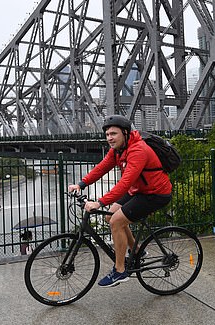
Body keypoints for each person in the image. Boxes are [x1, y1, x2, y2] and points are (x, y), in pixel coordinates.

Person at [67, 115, 172, 287]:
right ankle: (137, 251)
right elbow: (102, 167)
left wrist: (99, 202)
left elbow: (125, 183)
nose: (109, 138)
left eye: (113, 134)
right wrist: (82, 183)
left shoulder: (138, 150)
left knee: (116, 222)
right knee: (110, 217)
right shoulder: (118, 150)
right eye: (107, 134)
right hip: (139, 190)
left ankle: (120, 271)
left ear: (125, 133)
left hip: (155, 194)